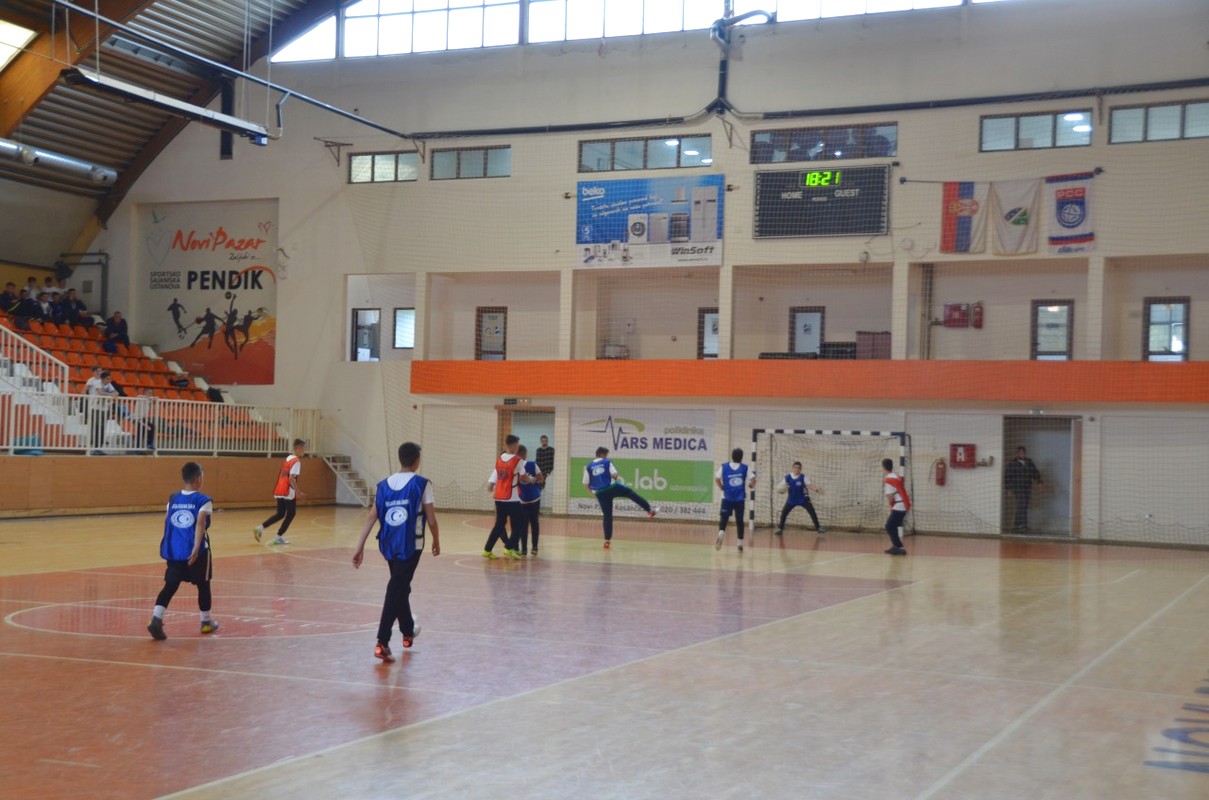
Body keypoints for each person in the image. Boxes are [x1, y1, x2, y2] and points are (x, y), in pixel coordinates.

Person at [352, 441, 440, 663]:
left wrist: (359, 546)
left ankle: (408, 631)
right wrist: (436, 540)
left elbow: (371, 517)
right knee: (396, 588)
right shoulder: (422, 484)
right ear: (416, 461)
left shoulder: (383, 485)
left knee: (400, 586)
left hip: (388, 544)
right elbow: (431, 518)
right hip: (411, 545)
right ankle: (382, 641)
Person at [147, 461, 218, 639]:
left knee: (170, 585)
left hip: (175, 551)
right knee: (203, 585)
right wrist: (196, 548)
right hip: (196, 551)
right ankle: (206, 622)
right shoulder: (203, 500)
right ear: (198, 478)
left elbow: (169, 521)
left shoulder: (173, 499)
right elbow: (200, 524)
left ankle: (156, 618)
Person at [583, 446, 656, 549]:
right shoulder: (607, 462)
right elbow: (615, 475)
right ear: (603, 455)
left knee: (607, 516)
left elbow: (586, 484)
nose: (606, 456)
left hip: (600, 493)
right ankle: (649, 510)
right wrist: (612, 477)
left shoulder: (588, 467)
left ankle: (607, 541)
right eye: (606, 455)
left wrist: (594, 494)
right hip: (612, 487)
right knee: (630, 493)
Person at [254, 439, 307, 545]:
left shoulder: (289, 458)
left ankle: (260, 528)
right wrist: (298, 492)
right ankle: (278, 537)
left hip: (280, 488)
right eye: (303, 448)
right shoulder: (296, 462)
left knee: (280, 513)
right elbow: (291, 478)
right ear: (298, 448)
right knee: (291, 513)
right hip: (288, 490)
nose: (304, 450)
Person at [482, 434, 525, 559]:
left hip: (499, 497)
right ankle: (509, 547)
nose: (518, 447)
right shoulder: (517, 460)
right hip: (511, 498)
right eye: (517, 444)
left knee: (499, 524)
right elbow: (523, 476)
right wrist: (532, 480)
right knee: (521, 522)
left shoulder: (500, 458)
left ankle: (487, 550)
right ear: (513, 445)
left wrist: (491, 484)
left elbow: (496, 473)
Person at [715, 448, 756, 553]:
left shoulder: (724, 466)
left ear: (732, 456)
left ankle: (721, 532)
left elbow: (717, 478)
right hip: (739, 499)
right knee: (739, 521)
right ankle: (740, 543)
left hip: (726, 498)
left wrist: (721, 487)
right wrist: (751, 485)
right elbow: (753, 479)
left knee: (724, 518)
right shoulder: (745, 468)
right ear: (741, 457)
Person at [775, 461, 827, 536]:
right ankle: (780, 529)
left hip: (802, 499)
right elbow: (781, 486)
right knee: (784, 513)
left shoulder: (803, 477)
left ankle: (818, 528)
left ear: (800, 469)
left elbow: (809, 485)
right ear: (792, 468)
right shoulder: (787, 477)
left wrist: (817, 490)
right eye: (795, 467)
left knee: (812, 512)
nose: (797, 469)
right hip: (791, 500)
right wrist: (779, 489)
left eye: (798, 468)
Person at [1004, 446, 1042, 532]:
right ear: (1017, 454)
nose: (1022, 454)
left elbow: (1035, 472)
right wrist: (1008, 489)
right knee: (1022, 504)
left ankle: (1023, 525)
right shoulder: (1013, 464)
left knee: (1024, 505)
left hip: (1027, 487)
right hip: (1018, 488)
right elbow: (1008, 477)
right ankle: (1017, 525)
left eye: (1023, 453)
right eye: (1020, 453)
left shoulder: (1029, 462)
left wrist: (1039, 481)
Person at [515, 444, 543, 556]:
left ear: (517, 454)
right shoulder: (530, 465)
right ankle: (533, 548)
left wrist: (530, 480)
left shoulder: (519, 466)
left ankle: (525, 549)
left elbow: (540, 478)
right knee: (533, 523)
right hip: (530, 498)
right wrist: (533, 480)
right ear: (525, 454)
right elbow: (541, 478)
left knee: (525, 524)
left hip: (527, 499)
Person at [882, 458, 911, 556]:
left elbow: (890, 497)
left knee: (889, 526)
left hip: (899, 505)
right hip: (904, 504)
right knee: (893, 526)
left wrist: (891, 506)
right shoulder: (896, 476)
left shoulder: (888, 480)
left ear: (883, 467)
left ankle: (899, 547)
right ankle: (896, 546)